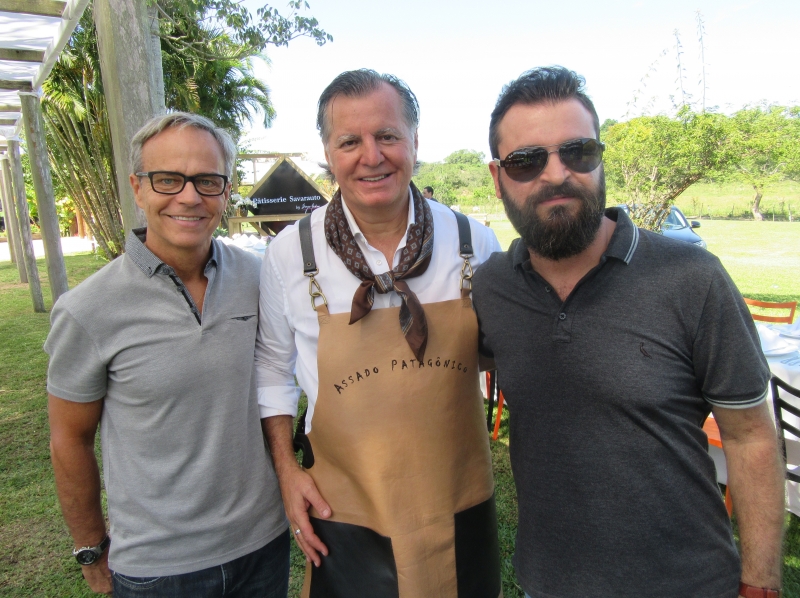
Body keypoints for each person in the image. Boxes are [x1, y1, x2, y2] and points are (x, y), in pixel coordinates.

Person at [473, 66, 785, 598]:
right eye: (527, 160)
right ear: (498, 176)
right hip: (546, 584)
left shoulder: (692, 279)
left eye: (578, 152)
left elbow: (751, 436)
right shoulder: (492, 288)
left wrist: (761, 583)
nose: (556, 175)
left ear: (599, 161)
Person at [256, 69, 503, 597]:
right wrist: (285, 470)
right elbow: (273, 372)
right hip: (343, 507)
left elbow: (507, 354)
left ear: (415, 141)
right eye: (350, 141)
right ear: (327, 151)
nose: (371, 156)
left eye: (387, 136)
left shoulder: (473, 243)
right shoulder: (290, 254)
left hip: (458, 500)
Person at [45, 113, 289, 597]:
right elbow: (69, 440)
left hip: (263, 543)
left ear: (226, 190)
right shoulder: (87, 309)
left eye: (207, 180)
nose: (189, 196)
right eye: (167, 179)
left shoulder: (261, 278)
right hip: (160, 568)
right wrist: (91, 551)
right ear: (138, 188)